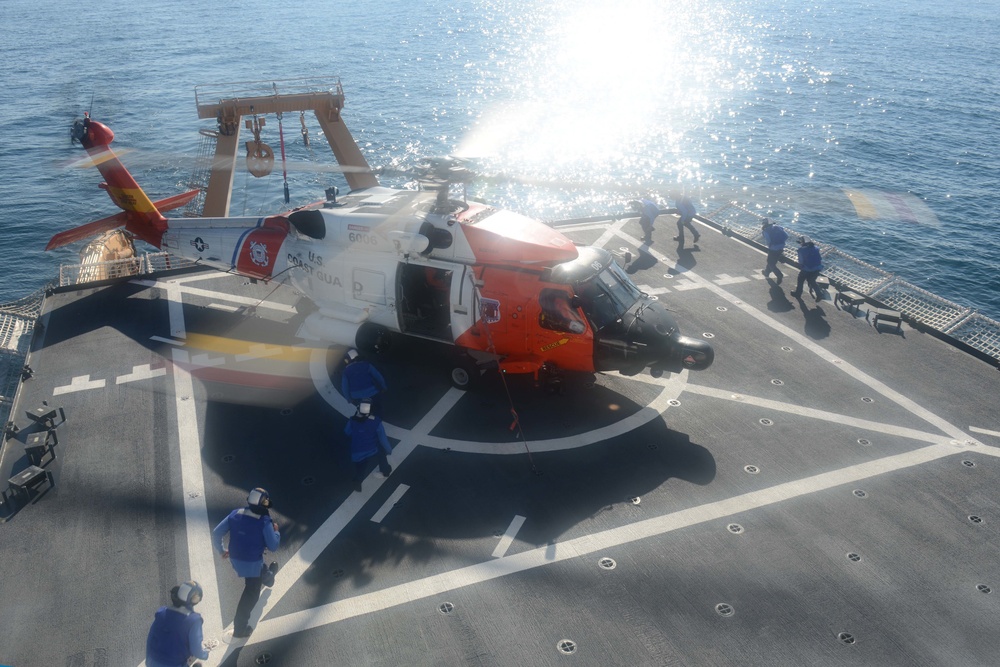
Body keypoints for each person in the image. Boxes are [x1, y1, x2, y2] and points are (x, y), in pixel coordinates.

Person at [212, 488, 281, 638]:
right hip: (252, 561)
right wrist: (276, 531)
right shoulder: (264, 521)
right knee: (251, 593)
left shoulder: (235, 513)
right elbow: (273, 545)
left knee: (259, 570)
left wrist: (221, 550)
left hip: (235, 558)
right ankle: (240, 629)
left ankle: (269, 578)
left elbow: (217, 532)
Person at [145, 580, 210, 667]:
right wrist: (206, 654)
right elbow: (197, 651)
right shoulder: (194, 621)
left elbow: (150, 638)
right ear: (194, 600)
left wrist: (148, 661)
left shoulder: (162, 612)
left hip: (152, 662)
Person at [345, 399, 392, 492]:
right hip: (372, 449)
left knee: (360, 468)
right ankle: (385, 471)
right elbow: (383, 438)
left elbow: (347, 432)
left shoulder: (352, 421)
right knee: (381, 453)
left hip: (357, 452)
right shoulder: (376, 422)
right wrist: (389, 450)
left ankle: (357, 482)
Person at [341, 348, 387, 413]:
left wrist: (349, 399)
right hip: (372, 392)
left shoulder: (346, 372)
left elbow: (345, 387)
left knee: (363, 412)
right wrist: (383, 386)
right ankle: (377, 419)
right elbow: (378, 376)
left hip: (357, 396)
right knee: (377, 409)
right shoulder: (366, 365)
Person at [760, 218, 788, 284]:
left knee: (770, 262)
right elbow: (786, 236)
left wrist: (771, 246)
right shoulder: (779, 227)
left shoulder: (765, 231)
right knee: (772, 261)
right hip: (781, 247)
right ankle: (766, 272)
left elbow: (768, 240)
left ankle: (779, 275)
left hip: (773, 249)